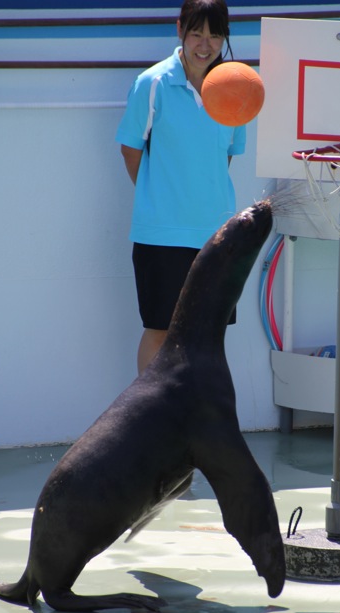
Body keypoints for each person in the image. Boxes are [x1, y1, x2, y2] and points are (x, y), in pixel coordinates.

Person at [116, 0, 246, 373]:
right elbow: (130, 151)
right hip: (161, 234)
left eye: (215, 35)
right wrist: (161, 197)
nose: (205, 44)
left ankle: (196, 425)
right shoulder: (152, 83)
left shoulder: (236, 89)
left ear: (224, 38)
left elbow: (225, 156)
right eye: (196, 33)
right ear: (180, 31)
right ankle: (151, 423)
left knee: (208, 333)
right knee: (159, 330)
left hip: (217, 236)